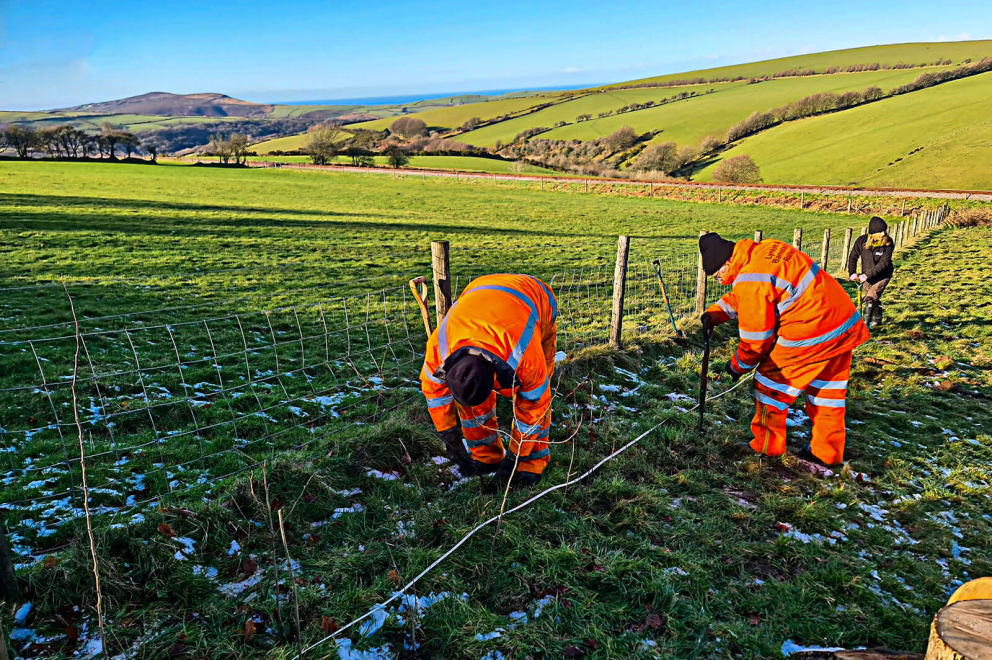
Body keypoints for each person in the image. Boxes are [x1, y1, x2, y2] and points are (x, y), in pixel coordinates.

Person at [699, 232, 869, 467]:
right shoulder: (765, 251)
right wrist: (715, 313)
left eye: (718, 274)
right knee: (827, 393)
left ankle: (766, 449)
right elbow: (751, 294)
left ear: (727, 262)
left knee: (770, 386)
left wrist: (737, 366)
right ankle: (826, 452)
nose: (719, 280)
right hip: (842, 323)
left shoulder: (750, 278)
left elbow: (756, 340)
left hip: (810, 331)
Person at [420, 273, 557, 489]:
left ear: (496, 378)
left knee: (538, 397)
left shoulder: (526, 358)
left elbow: (534, 408)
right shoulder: (439, 349)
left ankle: (531, 465)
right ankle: (486, 457)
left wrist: (515, 459)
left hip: (537, 296)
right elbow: (434, 393)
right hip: (481, 288)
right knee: (473, 398)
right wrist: (450, 437)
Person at [847, 216, 894, 329]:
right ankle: (877, 322)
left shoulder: (888, 243)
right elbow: (853, 257)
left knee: (870, 298)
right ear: (873, 233)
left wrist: (866, 275)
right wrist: (852, 273)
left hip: (883, 275)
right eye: (880, 231)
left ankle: (865, 326)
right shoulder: (861, 241)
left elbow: (884, 264)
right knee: (873, 299)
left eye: (884, 230)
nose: (883, 233)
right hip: (867, 276)